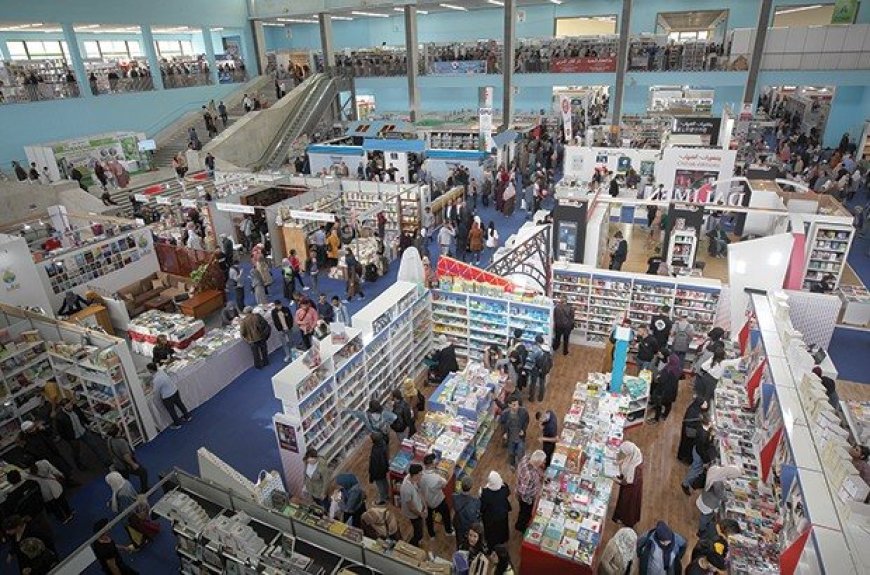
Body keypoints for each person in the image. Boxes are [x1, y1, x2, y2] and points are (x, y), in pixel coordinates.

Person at [55, 397, 110, 470]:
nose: (70, 407)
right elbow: (61, 431)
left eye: (70, 404)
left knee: (95, 445)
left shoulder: (75, 408)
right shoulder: (60, 417)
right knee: (76, 452)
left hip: (83, 431)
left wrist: (87, 423)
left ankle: (106, 462)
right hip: (73, 437)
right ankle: (79, 465)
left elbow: (81, 415)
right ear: (63, 407)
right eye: (67, 406)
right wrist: (69, 439)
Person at [696, 464, 742, 535]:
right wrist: (728, 499)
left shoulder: (715, 469)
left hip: (705, 496)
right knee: (705, 517)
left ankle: (703, 526)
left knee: (705, 515)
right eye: (733, 477)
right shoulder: (718, 483)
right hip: (709, 503)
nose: (732, 479)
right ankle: (701, 530)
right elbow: (721, 495)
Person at [25, 459, 72, 523]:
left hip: (51, 489)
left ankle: (66, 515)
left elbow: (53, 470)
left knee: (60, 503)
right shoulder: (28, 475)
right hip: (48, 491)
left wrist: (60, 474)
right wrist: (60, 474)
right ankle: (64, 517)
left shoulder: (42, 464)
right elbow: (53, 470)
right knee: (56, 505)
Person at [106, 424, 148, 492]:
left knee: (124, 481)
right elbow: (126, 456)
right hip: (125, 465)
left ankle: (128, 493)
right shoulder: (121, 442)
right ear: (118, 431)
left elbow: (110, 451)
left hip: (117, 464)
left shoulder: (109, 439)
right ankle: (144, 490)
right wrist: (133, 464)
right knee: (143, 472)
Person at [147, 362, 190, 429]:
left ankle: (178, 424)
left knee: (171, 411)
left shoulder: (156, 380)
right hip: (174, 390)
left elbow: (156, 391)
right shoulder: (161, 372)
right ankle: (187, 416)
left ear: (151, 370)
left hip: (167, 396)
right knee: (180, 404)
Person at [420, 453, 453, 538]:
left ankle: (431, 535)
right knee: (446, 515)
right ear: (432, 463)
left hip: (426, 501)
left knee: (429, 518)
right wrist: (450, 472)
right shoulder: (436, 478)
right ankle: (448, 531)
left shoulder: (420, 474)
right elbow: (444, 483)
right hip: (438, 500)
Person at [613, 442, 644, 528]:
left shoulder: (634, 469)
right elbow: (629, 458)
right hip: (633, 484)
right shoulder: (636, 452)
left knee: (626, 504)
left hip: (630, 489)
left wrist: (616, 480)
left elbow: (627, 481)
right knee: (625, 502)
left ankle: (625, 520)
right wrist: (620, 462)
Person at [682, 414, 715, 494]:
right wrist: (706, 461)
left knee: (695, 468)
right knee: (695, 470)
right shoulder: (703, 436)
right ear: (709, 423)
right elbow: (702, 451)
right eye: (713, 421)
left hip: (696, 450)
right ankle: (685, 484)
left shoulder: (701, 428)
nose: (714, 422)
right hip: (699, 454)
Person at [515, 450, 545, 533]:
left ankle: (520, 524)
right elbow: (523, 492)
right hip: (526, 499)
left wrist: (540, 473)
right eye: (543, 461)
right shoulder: (530, 475)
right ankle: (520, 527)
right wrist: (536, 493)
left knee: (522, 511)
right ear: (539, 462)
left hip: (519, 491)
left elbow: (535, 467)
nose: (544, 462)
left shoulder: (526, 458)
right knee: (525, 513)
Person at [479, 471, 511, 549]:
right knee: (502, 527)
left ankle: (491, 544)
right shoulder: (504, 489)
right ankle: (503, 539)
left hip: (490, 517)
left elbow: (483, 506)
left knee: (491, 531)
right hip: (502, 513)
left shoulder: (485, 493)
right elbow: (508, 492)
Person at [648, 354, 681, 424]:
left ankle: (656, 419)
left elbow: (662, 380)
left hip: (663, 391)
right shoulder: (678, 368)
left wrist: (658, 377)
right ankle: (665, 415)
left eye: (669, 359)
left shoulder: (668, 369)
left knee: (658, 404)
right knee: (668, 404)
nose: (668, 359)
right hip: (672, 391)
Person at [499, 395, 529, 469]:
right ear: (509, 405)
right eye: (514, 405)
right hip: (510, 437)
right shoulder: (505, 414)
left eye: (517, 404)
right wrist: (504, 433)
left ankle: (521, 466)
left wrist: (523, 429)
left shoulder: (523, 411)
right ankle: (512, 464)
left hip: (520, 437)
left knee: (520, 452)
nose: (517, 406)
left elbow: (526, 421)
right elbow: (502, 423)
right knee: (511, 452)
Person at [677, 395, 709, 464]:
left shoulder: (694, 408)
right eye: (704, 403)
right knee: (688, 445)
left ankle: (681, 456)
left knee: (685, 444)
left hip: (687, 430)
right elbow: (693, 423)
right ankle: (685, 459)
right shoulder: (694, 412)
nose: (706, 404)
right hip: (689, 431)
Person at [400, 463, 426, 547]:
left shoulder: (411, 478)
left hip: (418, 509)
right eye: (420, 474)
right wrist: (420, 514)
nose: (421, 475)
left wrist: (424, 505)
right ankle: (412, 545)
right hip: (414, 514)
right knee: (419, 533)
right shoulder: (406, 488)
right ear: (415, 475)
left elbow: (418, 491)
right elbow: (411, 507)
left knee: (419, 529)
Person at [452, 475, 481, 545]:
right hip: (468, 526)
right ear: (471, 487)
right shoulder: (475, 502)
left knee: (459, 539)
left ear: (461, 485)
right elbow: (475, 516)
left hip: (458, 523)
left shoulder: (454, 497)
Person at [302, 448, 330, 513]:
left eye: (312, 460)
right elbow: (305, 474)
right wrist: (304, 484)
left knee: (324, 505)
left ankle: (327, 513)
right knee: (317, 503)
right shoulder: (306, 462)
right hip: (311, 489)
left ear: (316, 458)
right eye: (309, 460)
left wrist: (323, 493)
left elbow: (326, 481)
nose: (310, 462)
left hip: (319, 490)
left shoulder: (322, 467)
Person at [368, 431, 390, 505]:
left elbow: (374, 465)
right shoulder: (383, 443)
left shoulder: (375, 450)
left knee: (380, 485)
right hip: (383, 468)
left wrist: (372, 476)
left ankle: (382, 499)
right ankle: (387, 495)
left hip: (377, 471)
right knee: (384, 481)